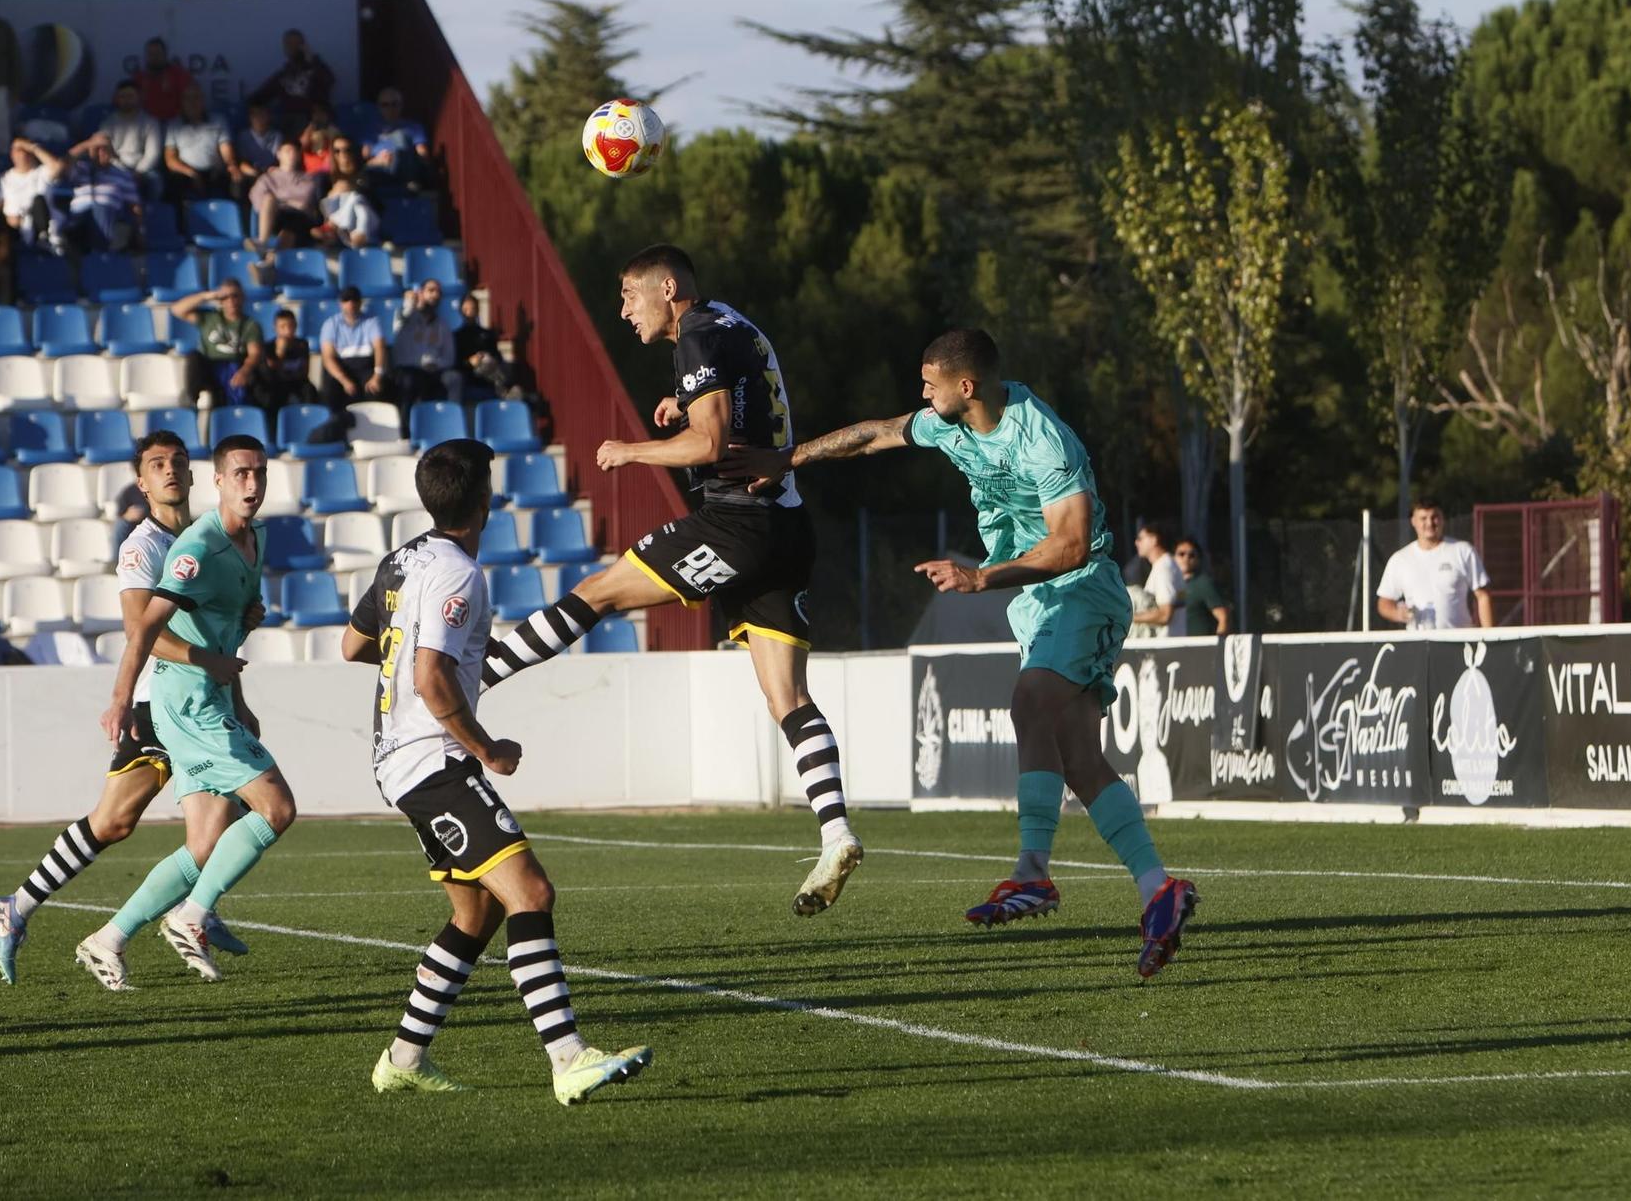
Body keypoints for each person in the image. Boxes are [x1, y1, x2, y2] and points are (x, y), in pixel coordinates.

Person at [720, 327, 1200, 977]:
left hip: (1080, 591)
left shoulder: (1044, 439)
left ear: (965, 387)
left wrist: (981, 577)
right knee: (1080, 758)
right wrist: (791, 459)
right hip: (1035, 602)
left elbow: (1074, 544)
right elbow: (877, 433)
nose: (922, 394)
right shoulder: (950, 425)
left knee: (1031, 701)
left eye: (930, 383)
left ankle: (1033, 870)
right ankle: (1157, 890)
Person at [480, 244, 865, 918]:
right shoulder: (728, 322)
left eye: (631, 296)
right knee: (788, 697)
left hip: (735, 525)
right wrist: (684, 407)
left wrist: (632, 450)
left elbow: (711, 444)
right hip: (786, 527)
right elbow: (735, 404)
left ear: (666, 287)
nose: (625, 311)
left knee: (598, 591)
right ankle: (836, 832)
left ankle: (476, 677)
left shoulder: (695, 335)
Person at [342, 438, 653, 1102]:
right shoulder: (458, 570)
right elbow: (429, 678)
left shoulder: (402, 558)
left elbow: (353, 643)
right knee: (531, 892)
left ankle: (403, 1056)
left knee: (475, 912)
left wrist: (410, 674)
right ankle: (568, 1057)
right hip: (436, 761)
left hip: (400, 760)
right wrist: (485, 748)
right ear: (485, 500)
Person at [0, 433, 249, 984]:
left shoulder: (210, 536)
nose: (171, 471)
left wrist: (234, 690)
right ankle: (16, 908)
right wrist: (204, 662)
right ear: (141, 481)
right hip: (158, 701)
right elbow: (143, 632)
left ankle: (201, 910)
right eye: (157, 464)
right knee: (114, 822)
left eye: (179, 462)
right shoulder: (144, 547)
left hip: (201, 699)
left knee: (233, 809)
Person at [80, 435, 294, 988]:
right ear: (218, 480)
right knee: (276, 808)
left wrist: (245, 635)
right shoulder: (197, 548)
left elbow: (221, 630)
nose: (252, 484)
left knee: (204, 845)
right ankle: (191, 917)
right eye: (241, 474)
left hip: (212, 697)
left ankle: (108, 939)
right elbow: (144, 630)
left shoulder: (255, 540)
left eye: (260, 474)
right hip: (186, 702)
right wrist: (120, 700)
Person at [1376, 499, 1495, 630]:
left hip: (1459, 644)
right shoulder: (1400, 559)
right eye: (1423, 518)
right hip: (1418, 644)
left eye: (1434, 517)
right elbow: (1384, 603)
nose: (1429, 523)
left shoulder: (1462, 551)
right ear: (1413, 521)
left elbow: (1483, 596)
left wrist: (1489, 638)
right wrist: (1397, 614)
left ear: (1442, 519)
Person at [170, 280, 263, 408]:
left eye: (235, 296)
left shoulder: (250, 325)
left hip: (235, 365)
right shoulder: (209, 318)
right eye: (225, 297)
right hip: (211, 365)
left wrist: (244, 371)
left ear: (242, 297)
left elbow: (255, 353)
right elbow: (177, 310)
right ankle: (192, 401)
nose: (230, 301)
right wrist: (205, 296)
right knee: (194, 357)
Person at [391, 278, 465, 423]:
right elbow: (400, 324)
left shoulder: (442, 325)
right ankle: (405, 429)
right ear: (420, 293)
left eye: (438, 292)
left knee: (454, 378)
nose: (435, 295)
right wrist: (410, 303)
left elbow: (449, 357)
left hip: (434, 370)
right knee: (410, 380)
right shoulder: (406, 316)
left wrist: (436, 364)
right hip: (408, 370)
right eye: (431, 291)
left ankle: (453, 424)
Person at [62, 135, 146, 255]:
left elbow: (135, 206)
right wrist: (86, 144)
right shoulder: (80, 168)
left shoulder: (122, 175)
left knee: (100, 209)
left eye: (105, 149)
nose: (100, 153)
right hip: (80, 220)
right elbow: (62, 164)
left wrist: (140, 231)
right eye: (96, 149)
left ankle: (100, 255)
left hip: (109, 218)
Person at [247, 29, 336, 134]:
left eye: (296, 44)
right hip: (290, 120)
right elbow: (260, 96)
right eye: (288, 44)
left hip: (313, 119)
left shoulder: (316, 69)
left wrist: (312, 59)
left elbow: (330, 80)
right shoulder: (283, 75)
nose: (292, 47)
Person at [161, 83, 236, 207]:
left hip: (214, 172)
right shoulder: (174, 124)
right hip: (186, 172)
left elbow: (226, 149)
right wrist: (192, 173)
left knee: (236, 181)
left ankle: (234, 222)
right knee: (173, 185)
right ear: (182, 102)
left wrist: (231, 165)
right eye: (188, 99)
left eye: (196, 98)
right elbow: (170, 159)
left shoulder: (218, 120)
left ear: (203, 100)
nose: (192, 102)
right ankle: (179, 225)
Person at [319, 286, 389, 414]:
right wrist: (344, 380)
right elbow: (327, 357)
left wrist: (377, 375)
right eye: (346, 300)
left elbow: (380, 347)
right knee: (330, 390)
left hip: (366, 365)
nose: (351, 304)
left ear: (360, 302)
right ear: (340, 303)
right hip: (343, 366)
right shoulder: (330, 324)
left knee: (375, 390)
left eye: (354, 300)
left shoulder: (372, 322)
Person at [247, 139, 323, 252]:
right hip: (274, 218)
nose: (291, 154)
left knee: (290, 227)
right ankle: (263, 242)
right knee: (268, 199)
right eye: (287, 151)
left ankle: (269, 262)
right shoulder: (267, 178)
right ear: (279, 154)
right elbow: (257, 199)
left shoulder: (308, 179)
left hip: (299, 218)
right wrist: (287, 201)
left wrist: (279, 200)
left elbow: (304, 203)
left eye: (294, 151)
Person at [2, 136, 66, 252]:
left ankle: (44, 238)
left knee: (39, 199)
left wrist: (33, 147)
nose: (22, 155)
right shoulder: (5, 179)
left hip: (45, 227)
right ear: (12, 154)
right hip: (17, 231)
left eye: (25, 151)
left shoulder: (41, 172)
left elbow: (57, 167)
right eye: (18, 151)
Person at [99, 80, 164, 189]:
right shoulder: (108, 123)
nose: (126, 100)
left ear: (139, 97)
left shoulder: (150, 122)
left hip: (142, 170)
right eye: (122, 96)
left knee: (156, 180)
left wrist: (139, 172)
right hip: (115, 168)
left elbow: (153, 153)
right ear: (116, 99)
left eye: (130, 96)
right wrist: (122, 171)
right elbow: (104, 150)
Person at [362, 87, 430, 191]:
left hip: (405, 171)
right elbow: (362, 161)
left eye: (394, 104)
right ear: (378, 107)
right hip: (379, 170)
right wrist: (377, 161)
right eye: (385, 105)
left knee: (400, 136)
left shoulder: (413, 127)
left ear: (401, 105)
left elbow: (423, 155)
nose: (390, 108)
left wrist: (396, 157)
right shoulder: (371, 130)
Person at [253, 308, 316, 413]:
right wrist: (280, 352)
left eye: (290, 326)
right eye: (282, 327)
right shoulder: (268, 347)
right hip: (276, 384)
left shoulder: (302, 344)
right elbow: (270, 373)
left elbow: (304, 371)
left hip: (296, 381)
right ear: (275, 328)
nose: (287, 330)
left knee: (309, 390)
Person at [1131, 521, 1185, 636]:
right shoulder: (1164, 565)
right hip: (1168, 647)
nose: (1136, 542)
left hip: (1165, 648)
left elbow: (1165, 614)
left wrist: (1128, 617)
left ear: (1154, 540)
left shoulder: (1164, 568)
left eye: (1141, 538)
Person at [1174, 538, 1233, 636]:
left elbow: (1224, 617)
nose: (1186, 558)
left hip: (1200, 647)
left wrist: (1217, 647)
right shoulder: (1173, 585)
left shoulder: (1204, 583)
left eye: (1192, 555)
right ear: (1174, 557)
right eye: (1181, 554)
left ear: (1198, 560)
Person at [133, 37, 193, 124]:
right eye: (151, 54)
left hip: (175, 123)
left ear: (165, 54)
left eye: (158, 53)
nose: (154, 57)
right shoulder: (139, 78)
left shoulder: (180, 75)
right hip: (147, 125)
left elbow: (190, 102)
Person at [231, 101, 283, 193]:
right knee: (237, 183)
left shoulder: (277, 135)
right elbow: (242, 162)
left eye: (262, 114)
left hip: (271, 171)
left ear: (268, 116)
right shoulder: (243, 136)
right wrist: (255, 173)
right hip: (251, 171)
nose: (259, 118)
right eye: (255, 115)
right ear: (250, 118)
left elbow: (278, 160)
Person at [318, 176, 380, 248]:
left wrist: (361, 232)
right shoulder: (332, 210)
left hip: (370, 240)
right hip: (349, 242)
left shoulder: (357, 201)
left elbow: (364, 217)